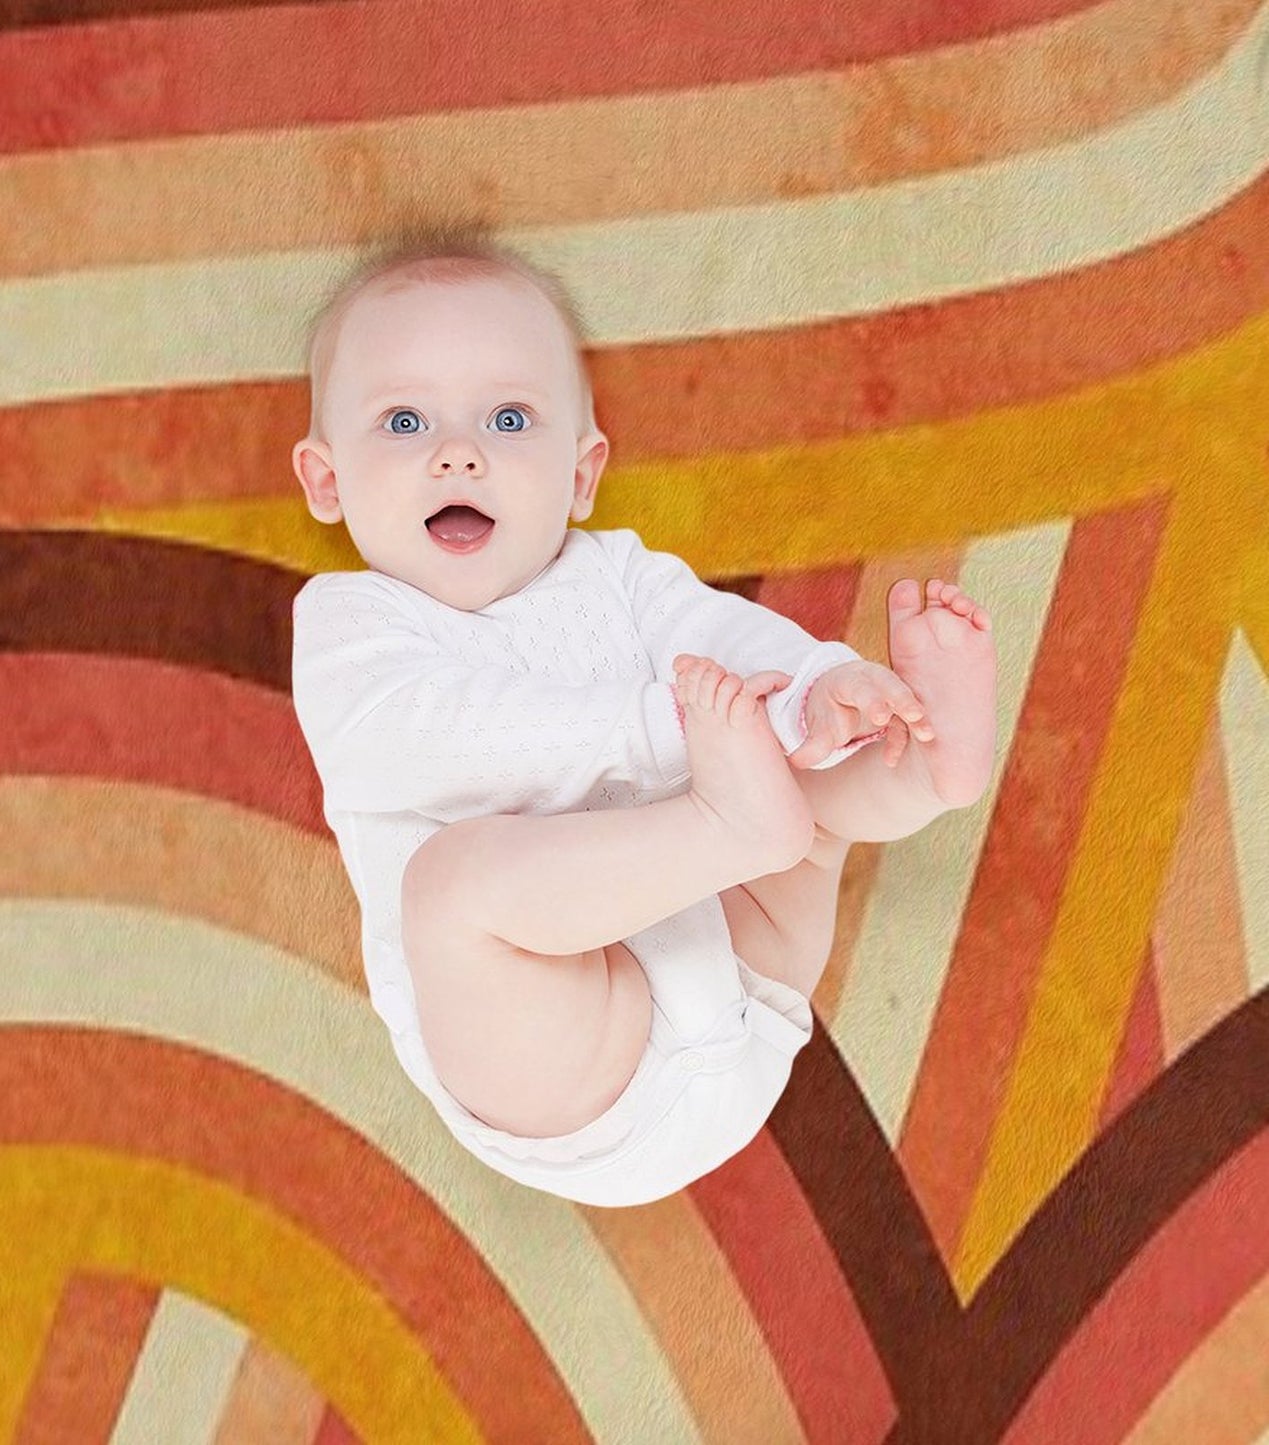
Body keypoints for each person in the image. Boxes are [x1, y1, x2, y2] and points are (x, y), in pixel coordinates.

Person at [289, 225, 998, 1206]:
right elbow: (433, 736)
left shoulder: (616, 573)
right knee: (449, 889)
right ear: (326, 479)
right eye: (404, 423)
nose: (457, 455)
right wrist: (663, 729)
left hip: (742, 965)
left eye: (507, 419)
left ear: (581, 473)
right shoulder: (351, 626)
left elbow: (722, 639)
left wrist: (813, 690)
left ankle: (917, 766)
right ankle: (738, 819)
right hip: (571, 1063)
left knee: (806, 781)